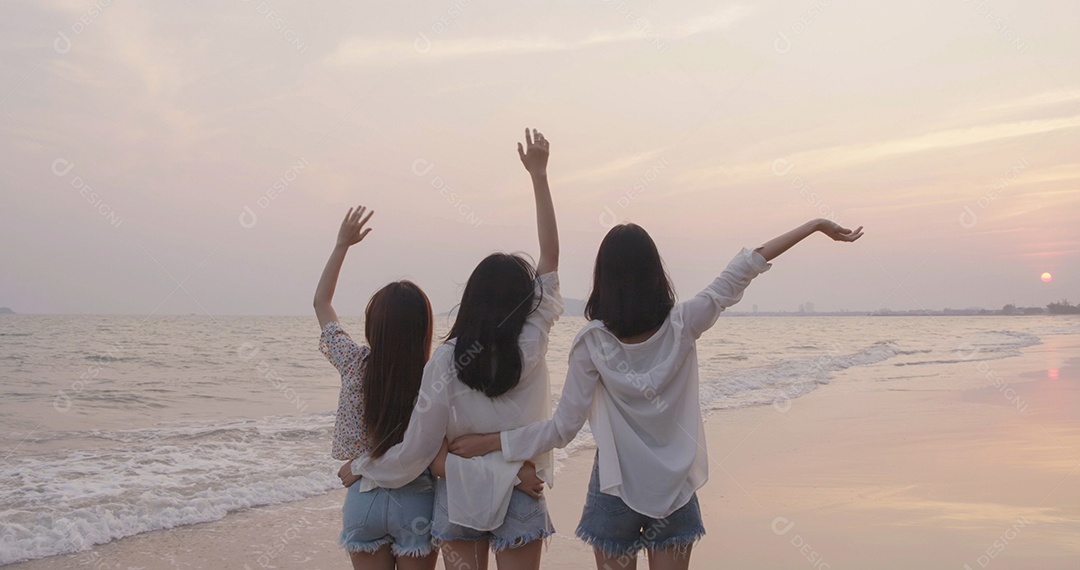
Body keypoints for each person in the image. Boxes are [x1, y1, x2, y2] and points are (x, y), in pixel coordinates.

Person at [450, 218, 865, 570]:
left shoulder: (592, 342)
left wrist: (490, 443)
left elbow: (562, 430)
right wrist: (814, 226)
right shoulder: (684, 323)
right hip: (675, 489)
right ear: (655, 273)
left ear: (603, 279)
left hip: (614, 487)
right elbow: (746, 266)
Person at [350, 128, 561, 570]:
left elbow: (418, 450)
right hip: (523, 486)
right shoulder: (532, 339)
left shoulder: (446, 361)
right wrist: (539, 177)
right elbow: (551, 260)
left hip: (460, 499)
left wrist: (366, 467)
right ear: (525, 302)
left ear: (472, 301)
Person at [315, 205, 438, 570]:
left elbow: (322, 303)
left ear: (373, 326)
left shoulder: (354, 363)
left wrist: (341, 246)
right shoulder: (435, 377)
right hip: (416, 501)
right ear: (423, 329)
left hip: (362, 502)